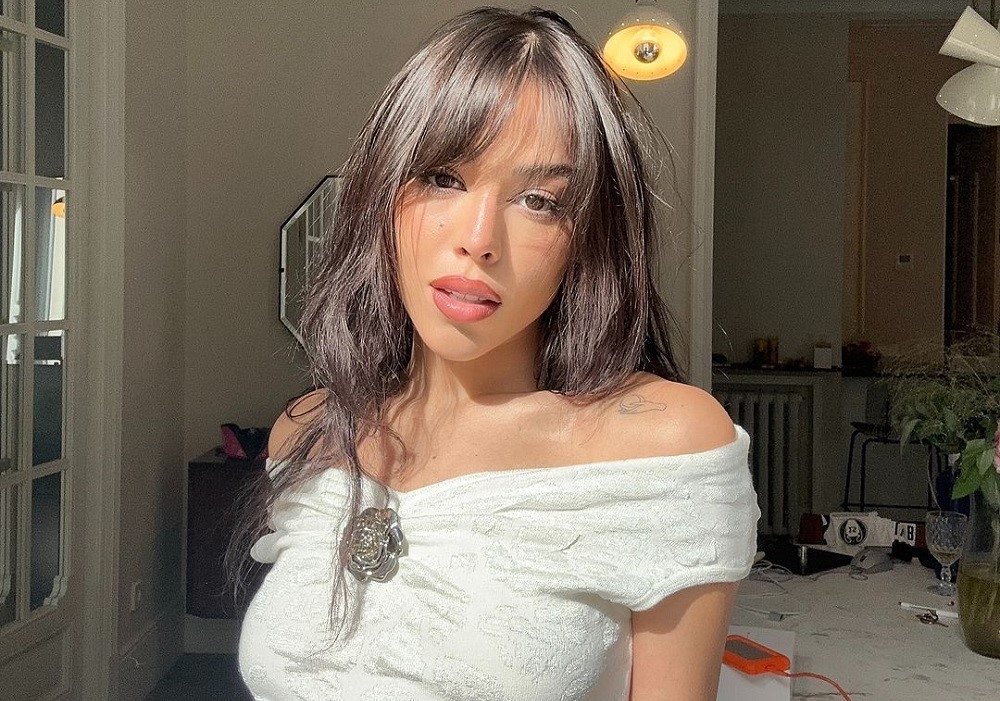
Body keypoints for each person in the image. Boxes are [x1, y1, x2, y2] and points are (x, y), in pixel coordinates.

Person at [235, 7, 760, 700]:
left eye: (538, 200)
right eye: (442, 179)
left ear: (588, 238)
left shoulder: (664, 445)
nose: (478, 238)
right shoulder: (311, 430)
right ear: (381, 196)